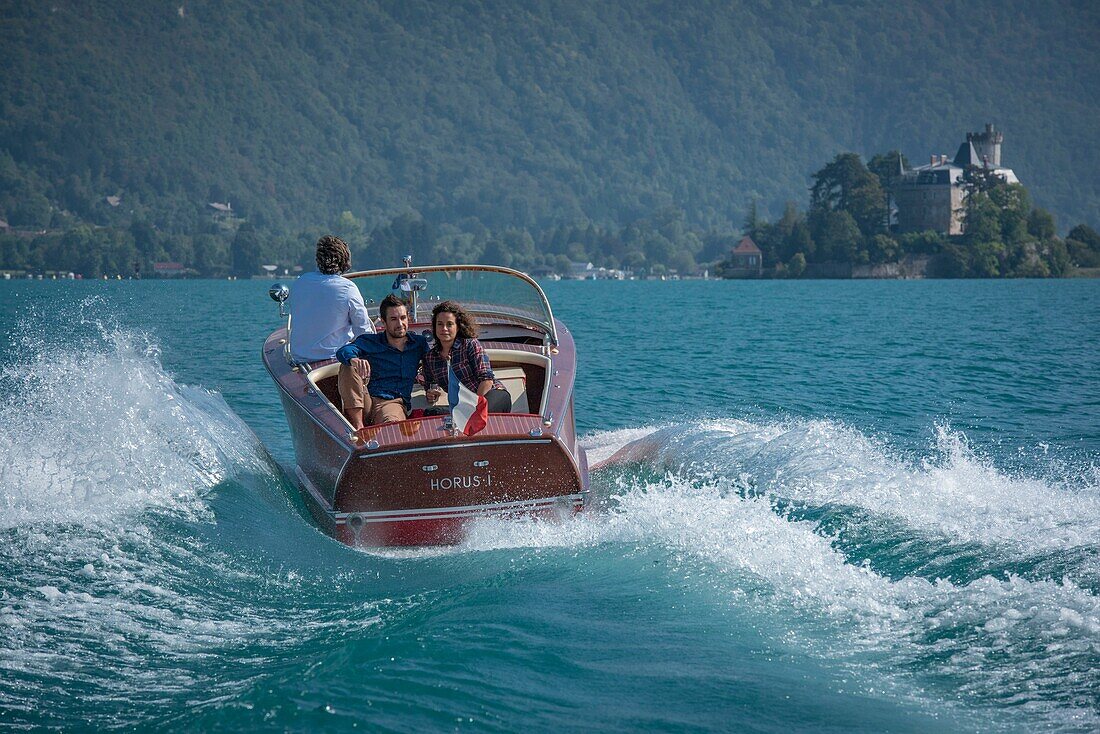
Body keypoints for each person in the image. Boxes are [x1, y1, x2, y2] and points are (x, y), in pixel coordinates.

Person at [289, 235, 373, 429]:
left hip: (302, 359)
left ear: (319, 260)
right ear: (345, 261)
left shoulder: (301, 282)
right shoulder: (347, 288)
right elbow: (364, 334)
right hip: (336, 363)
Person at [336, 294, 429, 430]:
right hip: (364, 399)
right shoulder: (371, 341)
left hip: (392, 402)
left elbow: (433, 365)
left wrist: (431, 387)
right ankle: (358, 427)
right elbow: (343, 351)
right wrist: (354, 360)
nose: (400, 324)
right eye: (393, 319)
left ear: (408, 318)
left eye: (403, 318)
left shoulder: (418, 344)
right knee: (347, 366)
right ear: (384, 322)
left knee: (391, 426)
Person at [421, 301, 512, 415]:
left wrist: (474, 406)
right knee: (432, 413)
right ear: (434, 327)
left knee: (477, 413)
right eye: (440, 324)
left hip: (492, 395)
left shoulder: (470, 345)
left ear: (458, 327)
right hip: (463, 406)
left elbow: (487, 380)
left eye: (449, 324)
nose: (444, 328)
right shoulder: (430, 358)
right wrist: (432, 394)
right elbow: (430, 385)